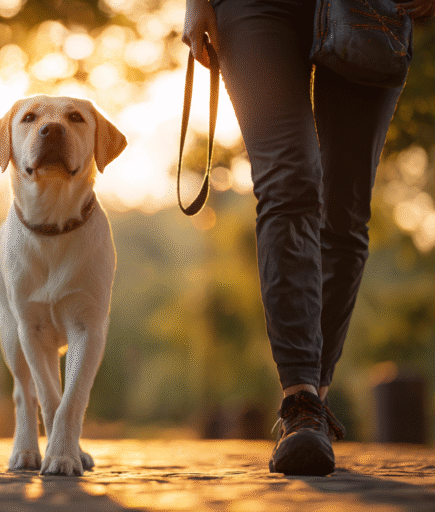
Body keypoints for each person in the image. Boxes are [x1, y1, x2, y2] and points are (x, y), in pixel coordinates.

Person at [182, 0, 435, 476]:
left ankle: (315, 399)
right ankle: (299, 404)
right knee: (287, 182)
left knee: (344, 208)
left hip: (370, 6)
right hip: (254, 9)